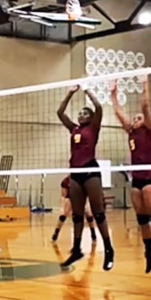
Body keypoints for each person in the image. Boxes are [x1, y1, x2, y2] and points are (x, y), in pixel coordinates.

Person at [110, 76, 151, 276]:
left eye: (138, 118)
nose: (135, 119)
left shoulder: (150, 131)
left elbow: (145, 106)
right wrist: (113, 93)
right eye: (135, 118)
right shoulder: (131, 132)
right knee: (141, 219)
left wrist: (144, 83)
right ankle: (150, 251)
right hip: (137, 178)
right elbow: (117, 112)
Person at [56, 85, 114, 271]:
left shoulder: (94, 128)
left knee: (98, 213)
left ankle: (109, 249)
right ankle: (76, 250)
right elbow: (60, 112)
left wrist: (87, 90)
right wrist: (71, 92)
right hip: (76, 174)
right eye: (79, 113)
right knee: (77, 215)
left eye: (84, 113)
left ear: (90, 117)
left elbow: (99, 107)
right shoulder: (74, 129)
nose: (81, 115)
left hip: (90, 171)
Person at [51, 176, 97, 244]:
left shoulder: (84, 179)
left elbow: (88, 192)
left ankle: (93, 235)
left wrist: (88, 202)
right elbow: (63, 196)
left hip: (82, 198)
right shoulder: (66, 181)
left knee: (89, 214)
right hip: (70, 199)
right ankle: (56, 234)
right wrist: (62, 207)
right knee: (63, 215)